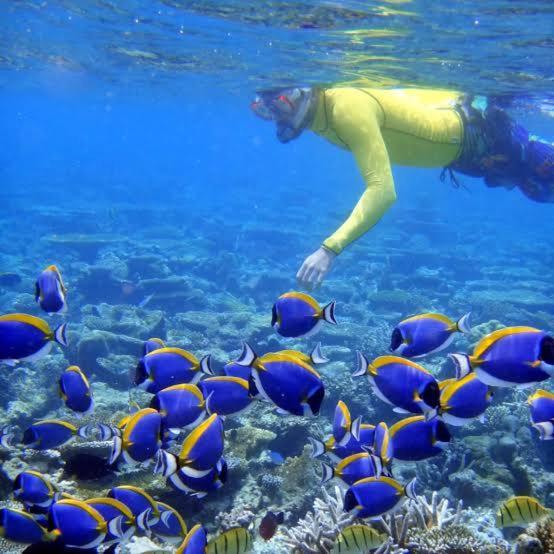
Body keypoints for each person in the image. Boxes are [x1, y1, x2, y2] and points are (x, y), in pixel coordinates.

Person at [251, 87, 554, 289]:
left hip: (489, 139)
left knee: (543, 180)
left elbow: (382, 190)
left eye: (278, 106)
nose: (276, 117)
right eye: (265, 111)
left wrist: (329, 249)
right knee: (533, 189)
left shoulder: (344, 109)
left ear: (297, 94)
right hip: (472, 155)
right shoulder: (324, 118)